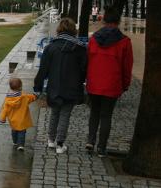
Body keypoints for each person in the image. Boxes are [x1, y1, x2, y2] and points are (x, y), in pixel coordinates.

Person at [34, 17, 87, 154]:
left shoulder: (51, 47)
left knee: (55, 113)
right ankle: (60, 144)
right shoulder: (80, 48)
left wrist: (37, 86)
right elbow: (84, 70)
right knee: (65, 115)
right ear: (73, 30)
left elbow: (43, 69)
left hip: (54, 86)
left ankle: (51, 140)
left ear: (59, 30)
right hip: (72, 87)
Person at [86, 8, 133, 157]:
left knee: (94, 112)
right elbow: (127, 66)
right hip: (112, 84)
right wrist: (125, 84)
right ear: (118, 22)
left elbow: (87, 61)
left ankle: (90, 141)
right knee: (106, 115)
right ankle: (101, 147)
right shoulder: (124, 42)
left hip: (94, 82)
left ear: (104, 20)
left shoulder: (94, 39)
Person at [0, 77, 37, 151]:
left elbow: (5, 109)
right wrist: (35, 96)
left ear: (10, 87)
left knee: (14, 131)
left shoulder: (8, 99)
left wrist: (2, 118)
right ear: (21, 87)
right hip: (22, 119)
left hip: (13, 120)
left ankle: (15, 142)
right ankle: (21, 145)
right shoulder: (24, 97)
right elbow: (32, 98)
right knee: (22, 132)